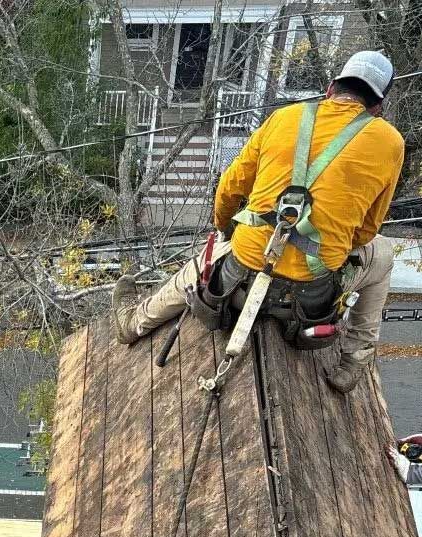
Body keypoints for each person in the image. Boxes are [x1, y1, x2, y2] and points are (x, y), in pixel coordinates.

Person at [112, 51, 404, 392]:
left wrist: (225, 229)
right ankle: (352, 362)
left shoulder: (284, 118)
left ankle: (133, 323)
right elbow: (368, 230)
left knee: (204, 262)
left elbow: (229, 190)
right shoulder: (390, 142)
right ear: (377, 107)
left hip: (236, 287)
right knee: (382, 255)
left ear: (330, 89)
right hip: (309, 303)